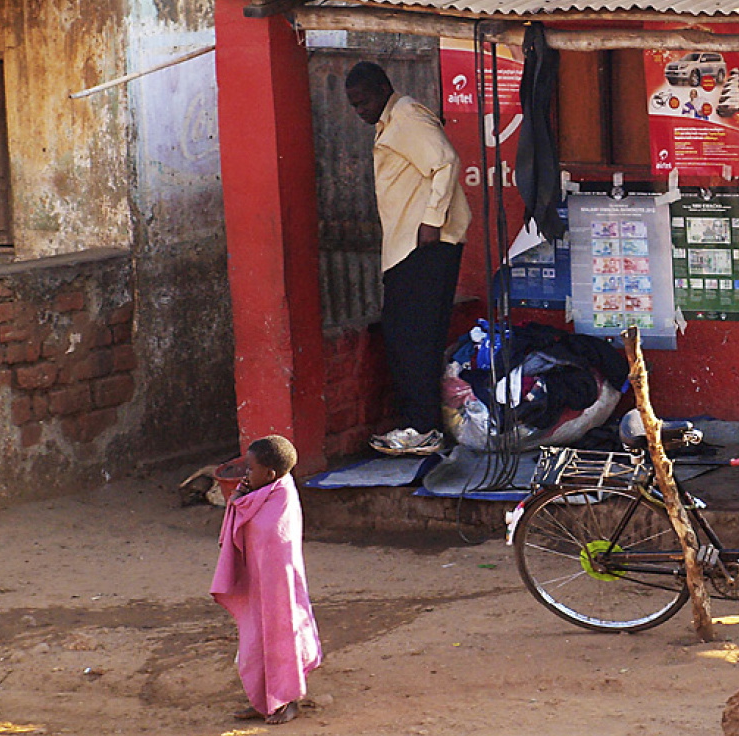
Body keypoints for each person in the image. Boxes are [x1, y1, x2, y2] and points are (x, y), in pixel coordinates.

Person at [345, 61, 472, 455]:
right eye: (354, 105)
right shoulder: (391, 121)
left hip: (423, 246)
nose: (360, 111)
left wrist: (431, 220)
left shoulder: (407, 117)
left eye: (364, 101)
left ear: (384, 88)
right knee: (408, 337)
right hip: (406, 247)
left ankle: (421, 427)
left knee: (412, 338)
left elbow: (446, 162)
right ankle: (424, 425)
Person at [211, 435, 322, 726]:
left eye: (250, 469)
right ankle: (262, 700)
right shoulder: (267, 490)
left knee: (281, 638)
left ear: (270, 474)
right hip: (259, 584)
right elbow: (242, 518)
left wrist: (240, 502)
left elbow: (266, 533)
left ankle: (288, 700)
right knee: (254, 641)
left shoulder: (282, 499)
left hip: (278, 588)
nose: (246, 475)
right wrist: (240, 499)